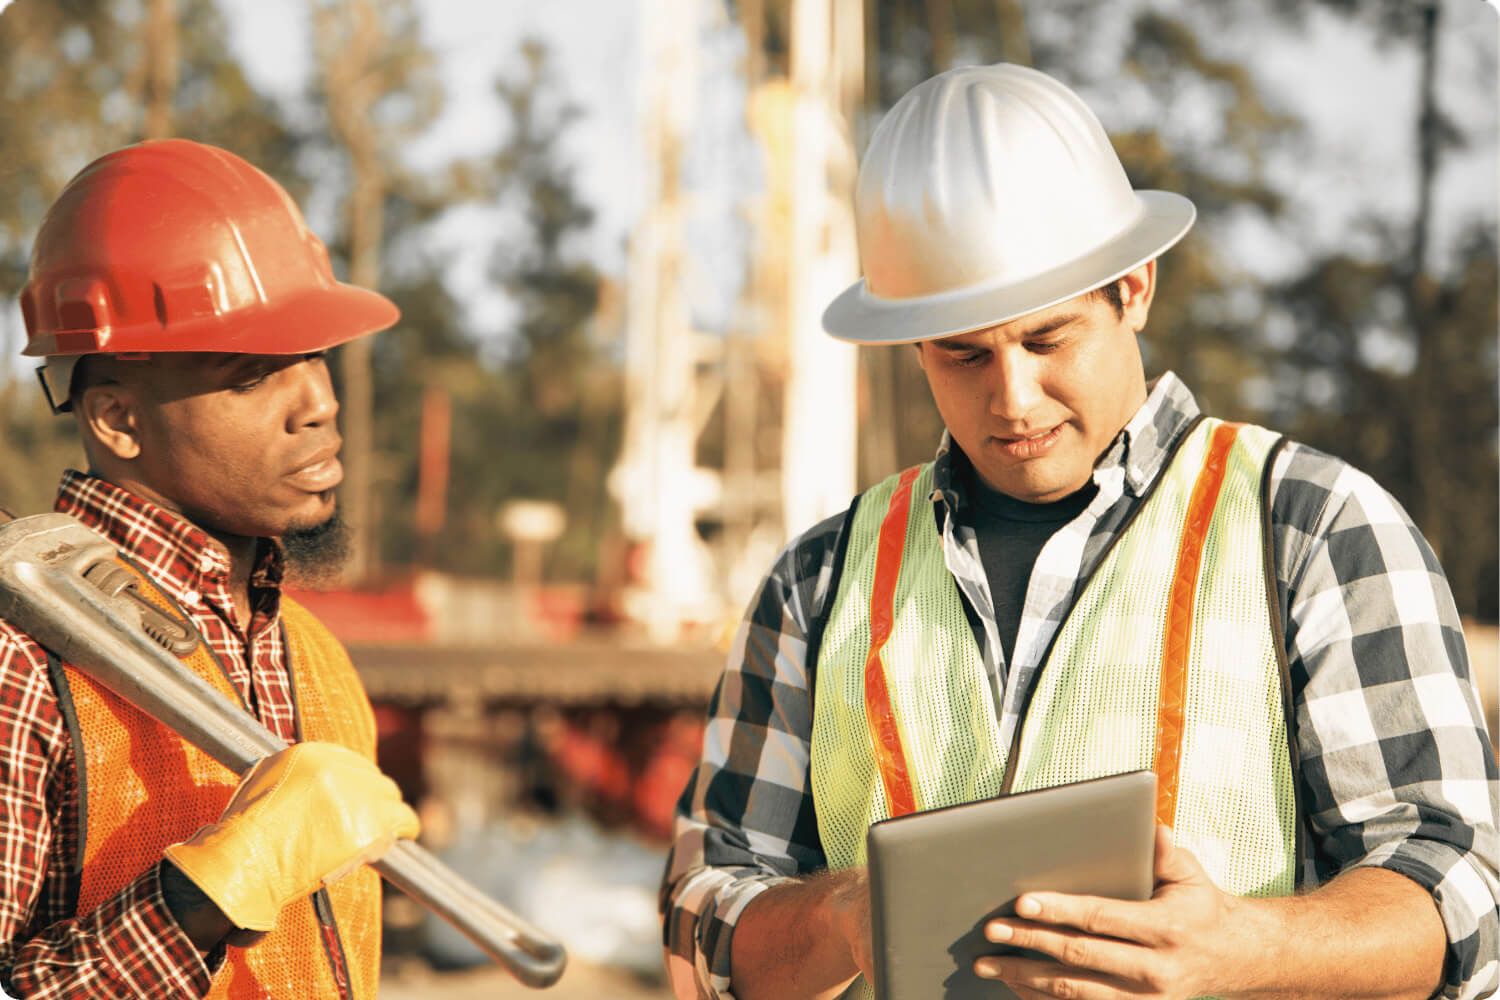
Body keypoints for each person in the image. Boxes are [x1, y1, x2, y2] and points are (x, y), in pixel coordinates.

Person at [661, 63, 1499, 1000]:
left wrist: (1245, 949)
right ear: (911, 341)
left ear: (1133, 285)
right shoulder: (821, 582)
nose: (1011, 399)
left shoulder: (1312, 531)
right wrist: (841, 916)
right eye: (964, 353)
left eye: (1047, 340)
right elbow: (704, 911)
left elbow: (1459, 892)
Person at [0, 139, 419, 998]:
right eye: (255, 373)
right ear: (117, 419)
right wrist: (199, 900)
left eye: (316, 356)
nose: (320, 403)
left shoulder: (317, 658)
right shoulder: (22, 656)